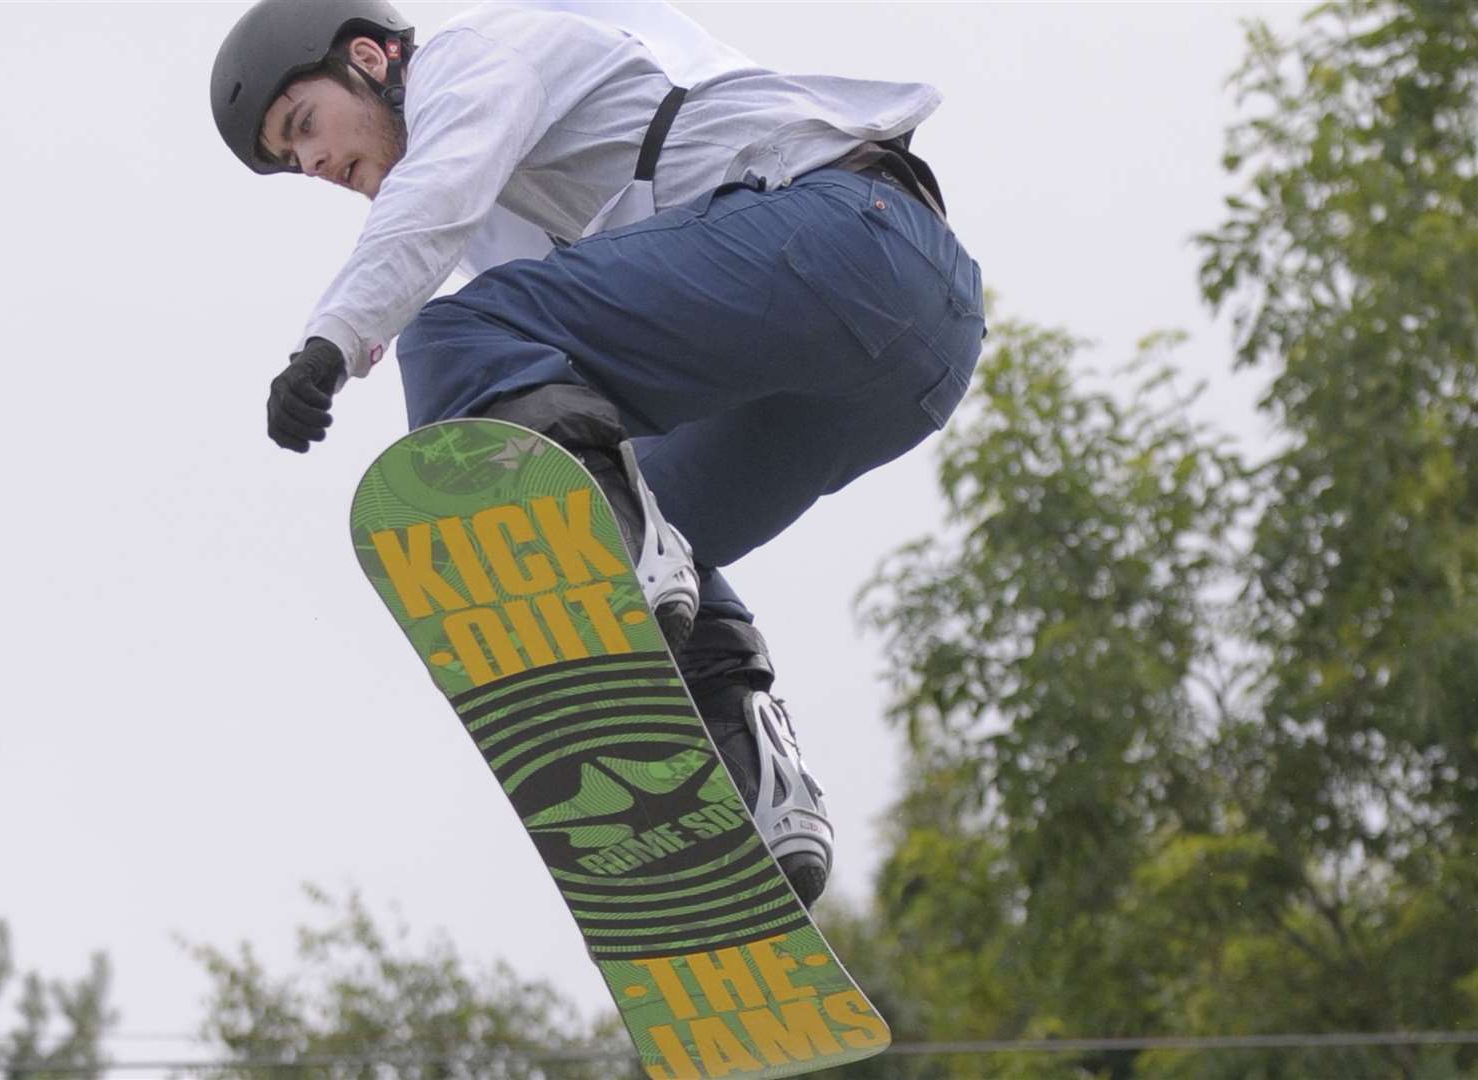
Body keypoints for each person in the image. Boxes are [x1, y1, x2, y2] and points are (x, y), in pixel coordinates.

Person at [210, 0, 986, 907]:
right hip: (912, 355)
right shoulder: (513, 220)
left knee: (455, 341)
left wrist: (334, 341)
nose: (317, 164)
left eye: (304, 126)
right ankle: (754, 781)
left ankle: (616, 549)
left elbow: (436, 195)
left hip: (850, 235)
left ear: (373, 58)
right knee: (654, 512)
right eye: (295, 164)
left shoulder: (474, 55)